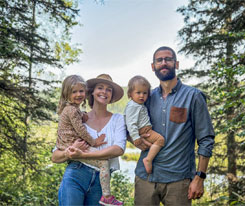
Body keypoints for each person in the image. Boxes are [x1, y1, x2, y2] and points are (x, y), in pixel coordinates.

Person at [133, 46, 215, 206]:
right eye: (159, 60)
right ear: (153, 66)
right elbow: (130, 127)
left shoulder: (193, 97)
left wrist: (200, 177)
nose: (164, 63)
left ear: (176, 64)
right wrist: (135, 140)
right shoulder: (146, 98)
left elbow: (206, 139)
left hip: (179, 181)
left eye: (168, 59)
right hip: (146, 178)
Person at [52, 74, 126, 206]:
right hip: (76, 173)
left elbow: (118, 149)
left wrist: (83, 154)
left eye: (109, 89)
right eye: (100, 87)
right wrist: (68, 152)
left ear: (111, 95)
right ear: (91, 92)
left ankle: (107, 198)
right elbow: (55, 156)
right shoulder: (80, 118)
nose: (104, 92)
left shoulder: (118, 119)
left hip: (100, 182)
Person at [124, 75, 165, 174]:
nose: (142, 96)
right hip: (144, 131)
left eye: (145, 93)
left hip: (145, 130)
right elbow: (131, 123)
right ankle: (148, 160)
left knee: (151, 146)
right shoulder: (133, 106)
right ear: (130, 94)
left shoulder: (138, 105)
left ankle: (150, 158)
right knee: (160, 140)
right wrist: (135, 137)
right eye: (138, 93)